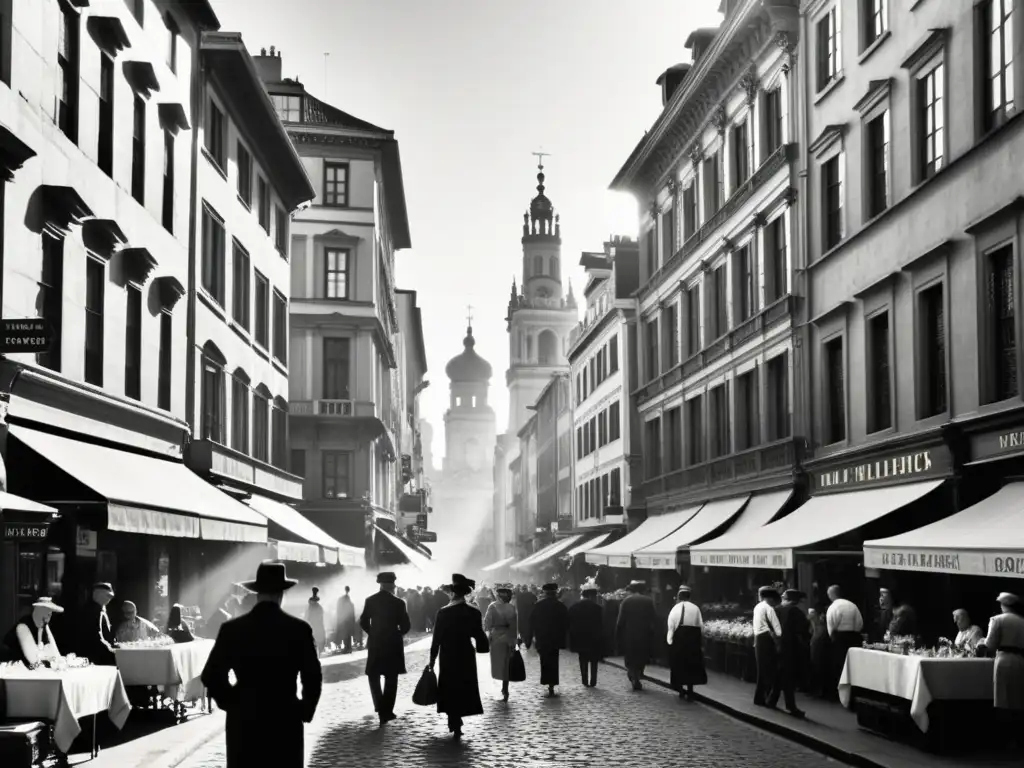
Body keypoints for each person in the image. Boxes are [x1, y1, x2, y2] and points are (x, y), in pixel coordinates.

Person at [201, 562, 322, 768]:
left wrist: (232, 703)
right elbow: (312, 676)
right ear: (281, 595)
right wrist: (304, 710)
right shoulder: (299, 629)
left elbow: (211, 675)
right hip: (285, 718)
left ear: (257, 594)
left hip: (244, 720)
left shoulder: (232, 629)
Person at [428, 574, 489, 740]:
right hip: (465, 653)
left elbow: (436, 639)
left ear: (452, 593)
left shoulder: (443, 612)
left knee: (449, 686)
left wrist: (432, 659)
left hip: (448, 653)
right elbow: (479, 635)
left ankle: (453, 719)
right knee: (463, 686)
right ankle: (458, 718)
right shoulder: (473, 612)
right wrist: (483, 648)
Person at [359, 572, 411, 726]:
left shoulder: (370, 600)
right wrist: (397, 633)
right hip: (393, 643)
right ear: (392, 585)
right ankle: (387, 710)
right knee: (391, 677)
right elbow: (406, 625)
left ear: (380, 584)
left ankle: (379, 706)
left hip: (376, 642)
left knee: (373, 675)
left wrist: (372, 632)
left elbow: (363, 621)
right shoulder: (399, 603)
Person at [978, 592, 1024, 742]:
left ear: (1003, 605)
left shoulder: (997, 620)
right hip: (1020, 661)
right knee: (1017, 698)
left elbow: (990, 644)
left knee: (1003, 698)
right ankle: (1017, 737)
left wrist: (981, 642)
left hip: (1003, 660)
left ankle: (1004, 738)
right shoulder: (1022, 621)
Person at [523, 582, 569, 697]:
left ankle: (547, 681)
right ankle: (552, 683)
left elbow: (531, 622)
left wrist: (528, 638)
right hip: (555, 638)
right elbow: (567, 623)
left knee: (544, 661)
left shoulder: (538, 605)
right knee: (554, 660)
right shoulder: (560, 606)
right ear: (555, 592)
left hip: (542, 637)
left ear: (545, 593)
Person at [769, 589, 807, 718]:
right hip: (790, 647)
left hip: (777, 645)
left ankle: (772, 700)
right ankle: (791, 706)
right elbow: (803, 631)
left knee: (780, 674)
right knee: (788, 676)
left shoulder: (776, 609)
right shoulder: (796, 612)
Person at [616, 580, 658, 691]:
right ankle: (637, 675)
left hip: (629, 635)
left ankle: (633, 675)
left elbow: (620, 622)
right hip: (644, 634)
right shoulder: (648, 601)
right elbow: (654, 619)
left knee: (631, 657)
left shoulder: (626, 601)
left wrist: (618, 635)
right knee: (642, 656)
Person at [666, 586, 706, 700]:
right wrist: (701, 640)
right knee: (691, 664)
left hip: (680, 638)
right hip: (693, 639)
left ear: (679, 597)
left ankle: (680, 689)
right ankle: (690, 689)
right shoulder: (696, 608)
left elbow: (671, 625)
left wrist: (670, 640)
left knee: (679, 663)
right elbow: (701, 625)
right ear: (690, 597)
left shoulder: (675, 608)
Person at [825, 584, 863, 700]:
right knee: (853, 665)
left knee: (839, 665)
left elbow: (831, 625)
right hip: (854, 637)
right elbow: (859, 623)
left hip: (839, 638)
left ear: (831, 595)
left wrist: (832, 637)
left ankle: (840, 693)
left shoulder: (833, 607)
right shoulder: (852, 605)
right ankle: (853, 692)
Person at [2, 597, 63, 667]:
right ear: (37, 610)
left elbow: (55, 654)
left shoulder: (44, 628)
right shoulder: (23, 627)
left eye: (49, 614)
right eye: (44, 612)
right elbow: (34, 660)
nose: (47, 618)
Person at [482, 583, 518, 701]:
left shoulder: (492, 606)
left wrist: (488, 635)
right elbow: (515, 625)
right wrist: (514, 640)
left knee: (499, 663)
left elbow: (487, 623)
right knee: (507, 663)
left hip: (496, 636)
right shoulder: (512, 607)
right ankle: (505, 688)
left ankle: (504, 689)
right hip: (509, 637)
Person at [568, 580, 604, 688]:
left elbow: (570, 623)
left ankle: (584, 680)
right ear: (592, 596)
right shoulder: (598, 608)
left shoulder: (574, 607)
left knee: (582, 659)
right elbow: (602, 624)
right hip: (594, 638)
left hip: (580, 638)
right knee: (594, 660)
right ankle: (593, 680)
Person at [753, 586, 782, 708]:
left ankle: (759, 697)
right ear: (770, 598)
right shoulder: (768, 608)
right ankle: (764, 697)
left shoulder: (757, 607)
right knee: (770, 670)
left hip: (759, 638)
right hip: (767, 639)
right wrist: (779, 639)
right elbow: (777, 628)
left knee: (762, 669)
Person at [81, 582, 118, 664]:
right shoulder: (94, 611)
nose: (110, 599)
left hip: (101, 651)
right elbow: (97, 636)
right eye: (107, 596)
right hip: (96, 654)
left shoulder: (101, 609)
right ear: (98, 595)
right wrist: (111, 650)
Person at [808, 607, 831, 698]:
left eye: (812, 613)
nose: (810, 615)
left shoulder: (820, 626)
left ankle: (817, 690)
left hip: (818, 647)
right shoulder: (818, 625)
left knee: (817, 667)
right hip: (817, 646)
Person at [515, 585, 537, 652]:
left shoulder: (519, 596)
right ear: (527, 589)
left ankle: (523, 640)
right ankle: (528, 642)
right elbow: (535, 602)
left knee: (522, 628)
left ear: (522, 589)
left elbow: (517, 606)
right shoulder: (531, 595)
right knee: (529, 628)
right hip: (530, 615)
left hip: (521, 615)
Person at [305, 587, 326, 656]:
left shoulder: (316, 607)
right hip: (314, 624)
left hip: (316, 624)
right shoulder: (313, 607)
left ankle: (318, 650)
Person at [335, 587, 357, 653]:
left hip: (345, 621)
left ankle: (347, 648)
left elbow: (339, 611)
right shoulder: (350, 602)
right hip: (348, 621)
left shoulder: (342, 600)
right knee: (348, 635)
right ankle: (348, 648)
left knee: (345, 635)